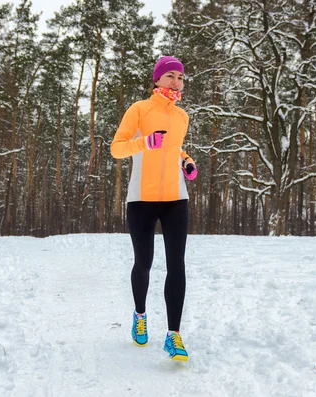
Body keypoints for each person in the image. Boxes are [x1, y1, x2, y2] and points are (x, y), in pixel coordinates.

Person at [110, 56, 197, 362]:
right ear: (157, 79)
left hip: (176, 197)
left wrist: (185, 161)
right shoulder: (139, 109)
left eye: (181, 77)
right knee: (144, 263)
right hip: (141, 199)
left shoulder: (182, 116)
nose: (177, 81)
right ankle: (140, 315)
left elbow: (175, 149)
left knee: (177, 265)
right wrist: (144, 142)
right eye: (171, 76)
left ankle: (173, 336)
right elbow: (117, 147)